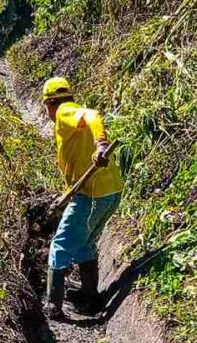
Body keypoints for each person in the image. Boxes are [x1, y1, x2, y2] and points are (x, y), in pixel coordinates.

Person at [41, 77, 124, 320]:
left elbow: (92, 115)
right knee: (86, 242)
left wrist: (101, 144)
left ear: (51, 103)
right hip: (110, 191)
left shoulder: (65, 112)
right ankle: (89, 296)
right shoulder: (70, 117)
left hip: (92, 195)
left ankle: (53, 306)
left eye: (46, 106)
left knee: (60, 245)